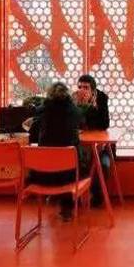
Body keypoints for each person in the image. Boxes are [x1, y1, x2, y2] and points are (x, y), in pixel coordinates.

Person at [29, 82, 86, 221]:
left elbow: (33, 132)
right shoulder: (74, 111)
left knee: (54, 159)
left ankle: (53, 197)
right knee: (82, 158)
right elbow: (82, 120)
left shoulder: (42, 111)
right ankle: (69, 205)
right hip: (70, 177)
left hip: (42, 176)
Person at [72, 74, 110, 206]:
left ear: (93, 90)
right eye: (80, 87)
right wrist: (79, 107)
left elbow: (104, 124)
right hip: (81, 143)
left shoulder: (101, 98)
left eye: (86, 87)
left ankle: (97, 196)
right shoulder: (74, 99)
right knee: (75, 160)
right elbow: (73, 123)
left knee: (103, 164)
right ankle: (73, 196)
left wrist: (90, 108)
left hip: (99, 144)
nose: (82, 90)